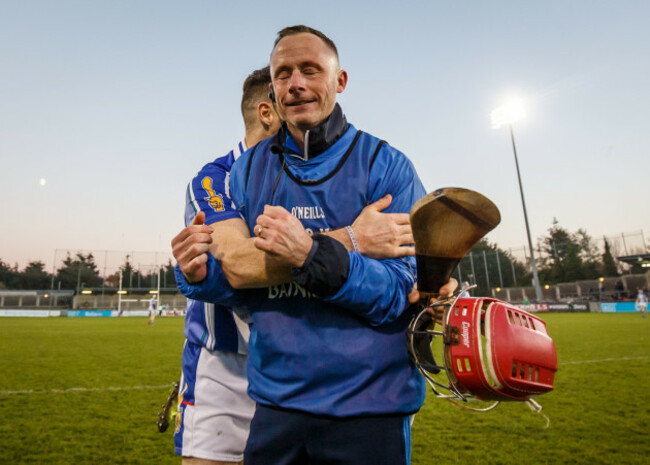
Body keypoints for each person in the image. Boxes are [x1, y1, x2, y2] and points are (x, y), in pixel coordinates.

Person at [174, 25, 456, 464]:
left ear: (339, 81)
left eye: (310, 70)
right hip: (275, 406)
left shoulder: (387, 165)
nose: (296, 84)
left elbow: (402, 293)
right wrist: (198, 274)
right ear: (272, 89)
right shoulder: (247, 171)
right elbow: (246, 278)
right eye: (284, 73)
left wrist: (311, 255)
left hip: (368, 407)